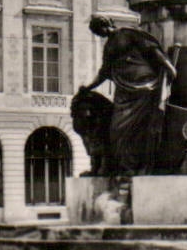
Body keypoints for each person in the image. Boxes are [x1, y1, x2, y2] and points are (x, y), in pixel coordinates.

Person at [74, 16, 177, 176]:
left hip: (143, 85)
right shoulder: (108, 46)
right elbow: (104, 72)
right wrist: (89, 87)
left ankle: (133, 167)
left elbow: (151, 49)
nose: (99, 34)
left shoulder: (128, 33)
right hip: (124, 90)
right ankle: (127, 167)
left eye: (99, 29)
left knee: (139, 128)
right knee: (116, 129)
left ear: (106, 24)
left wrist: (167, 65)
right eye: (96, 32)